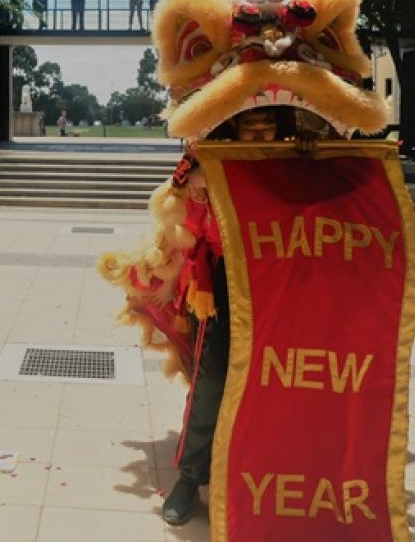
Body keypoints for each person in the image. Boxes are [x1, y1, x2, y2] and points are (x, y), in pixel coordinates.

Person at [163, 107, 277, 526]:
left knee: (277, 379)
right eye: (252, 125)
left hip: (281, 281)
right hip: (225, 283)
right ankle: (191, 479)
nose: (261, 134)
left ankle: (271, 477)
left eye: (269, 127)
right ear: (236, 126)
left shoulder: (301, 164)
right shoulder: (207, 161)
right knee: (211, 382)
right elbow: (181, 199)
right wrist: (198, 174)